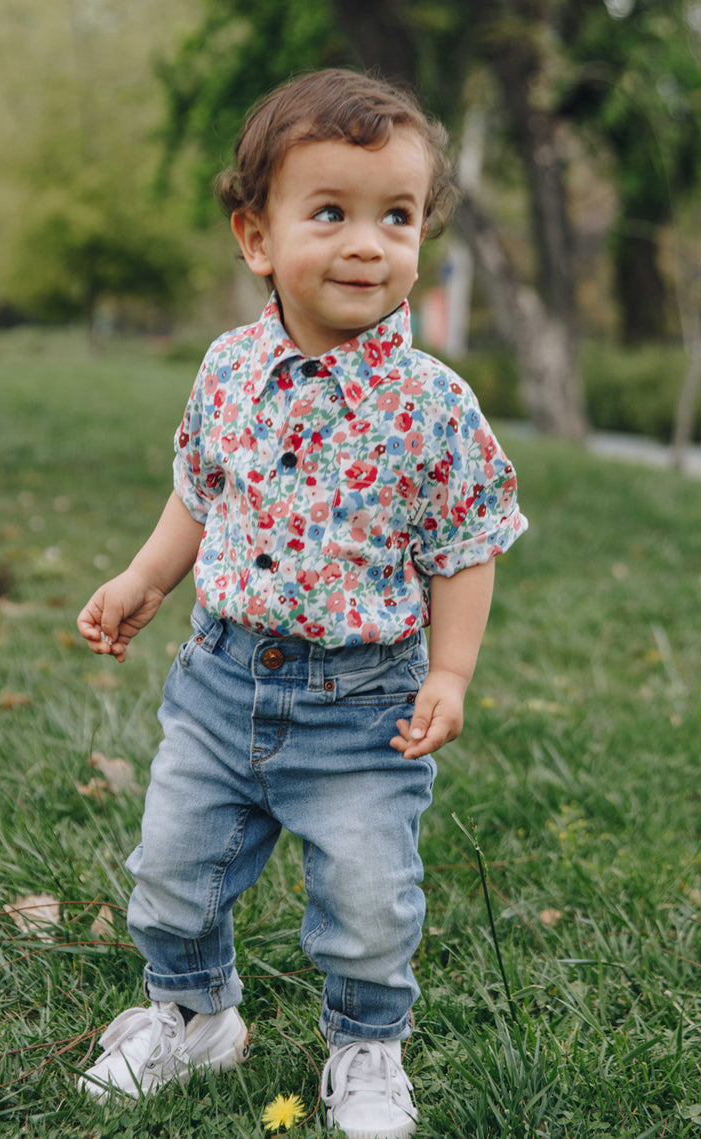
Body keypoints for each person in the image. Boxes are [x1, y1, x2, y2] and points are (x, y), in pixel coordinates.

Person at [76, 68, 527, 1139]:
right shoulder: (228, 368)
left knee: (369, 900)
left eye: (397, 217)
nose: (367, 243)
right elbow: (202, 490)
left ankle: (365, 1045)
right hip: (221, 678)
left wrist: (450, 672)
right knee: (173, 867)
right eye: (329, 213)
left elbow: (465, 546)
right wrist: (145, 577)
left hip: (364, 703)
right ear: (255, 236)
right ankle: (190, 1011)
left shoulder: (430, 402)